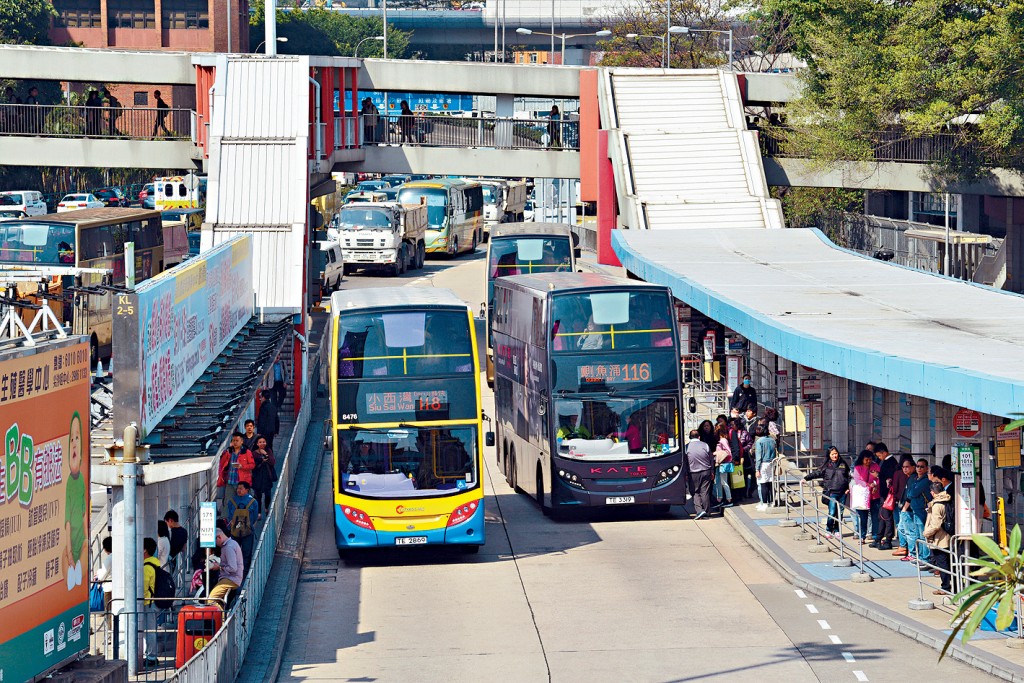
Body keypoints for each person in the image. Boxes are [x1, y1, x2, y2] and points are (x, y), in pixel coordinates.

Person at [804, 447, 850, 537]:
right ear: (829, 455)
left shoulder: (843, 463)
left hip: (842, 492)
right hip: (831, 492)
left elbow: (848, 476)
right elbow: (817, 473)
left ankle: (836, 530)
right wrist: (806, 478)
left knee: (839, 513)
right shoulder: (826, 465)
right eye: (832, 454)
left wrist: (848, 488)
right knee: (832, 512)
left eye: (836, 453)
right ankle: (829, 529)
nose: (834, 455)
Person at [64, 411, 87, 590]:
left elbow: (84, 512)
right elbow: (68, 522)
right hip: (72, 540)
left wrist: (86, 538)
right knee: (67, 563)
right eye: (71, 439)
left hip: (82, 539)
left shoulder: (81, 480)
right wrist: (70, 552)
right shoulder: (69, 483)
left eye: (77, 438)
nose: (74, 444)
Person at [902, 459, 933, 564]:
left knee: (923, 534)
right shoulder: (916, 479)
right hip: (915, 509)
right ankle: (920, 556)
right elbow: (909, 492)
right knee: (918, 535)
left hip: (922, 511)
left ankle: (925, 558)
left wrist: (911, 491)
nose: (919, 468)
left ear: (926, 468)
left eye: (922, 467)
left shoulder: (925, 480)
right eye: (918, 466)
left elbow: (913, 493)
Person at [924, 480, 952, 594]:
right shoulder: (948, 500)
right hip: (948, 536)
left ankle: (945, 588)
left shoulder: (937, 505)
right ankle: (952, 585)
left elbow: (936, 525)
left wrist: (926, 533)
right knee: (948, 563)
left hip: (939, 538)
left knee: (942, 564)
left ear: (932, 492)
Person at [217, 433, 255, 515]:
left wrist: (242, 466)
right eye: (233, 440)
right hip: (230, 482)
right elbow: (222, 463)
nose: (235, 442)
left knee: (243, 503)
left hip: (241, 482)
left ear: (242, 441)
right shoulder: (229, 452)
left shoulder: (246, 452)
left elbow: (252, 465)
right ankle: (226, 522)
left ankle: (244, 521)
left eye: (237, 440)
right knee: (228, 502)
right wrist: (226, 452)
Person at [226, 481, 260, 573]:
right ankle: (245, 572)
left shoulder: (232, 501)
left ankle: (235, 570)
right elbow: (255, 517)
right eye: (238, 488)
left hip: (234, 532)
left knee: (234, 552)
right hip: (248, 531)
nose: (238, 490)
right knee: (247, 553)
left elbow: (229, 516)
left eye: (241, 488)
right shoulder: (253, 502)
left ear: (247, 490)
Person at [208, 527, 243, 609]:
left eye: (215, 541)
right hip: (233, 578)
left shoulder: (228, 547)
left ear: (219, 537)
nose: (215, 544)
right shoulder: (232, 543)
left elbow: (233, 568)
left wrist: (219, 567)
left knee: (211, 599)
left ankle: (222, 617)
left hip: (231, 578)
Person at [850, 450, 880, 544]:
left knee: (875, 517)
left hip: (874, 496)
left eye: (870, 460)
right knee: (863, 517)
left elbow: (879, 478)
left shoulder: (875, 466)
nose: (868, 462)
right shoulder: (858, 468)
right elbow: (858, 480)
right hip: (862, 496)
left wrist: (875, 485)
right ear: (862, 459)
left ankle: (875, 536)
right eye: (866, 460)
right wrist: (868, 485)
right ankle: (862, 536)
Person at [685, 430, 714, 519]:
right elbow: (711, 459)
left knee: (695, 492)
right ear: (699, 437)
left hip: (693, 473)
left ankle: (700, 511)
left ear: (690, 437)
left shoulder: (686, 447)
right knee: (705, 492)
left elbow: (685, 462)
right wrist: (712, 471)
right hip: (706, 471)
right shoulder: (705, 445)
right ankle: (707, 512)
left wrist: (685, 473)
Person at [142, 537, 161, 667]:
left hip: (148, 602)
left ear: (144, 550)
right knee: (151, 630)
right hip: (155, 602)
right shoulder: (156, 563)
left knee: (149, 631)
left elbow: (143, 588)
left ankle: (151, 657)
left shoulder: (146, 567)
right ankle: (151, 655)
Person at [875, 442, 899, 550]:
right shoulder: (885, 461)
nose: (879, 458)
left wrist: (878, 475)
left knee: (887, 518)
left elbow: (889, 479)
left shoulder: (891, 462)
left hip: (887, 495)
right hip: (884, 494)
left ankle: (888, 540)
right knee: (882, 517)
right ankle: (879, 538)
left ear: (884, 453)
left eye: (880, 455)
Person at [890, 457, 914, 556]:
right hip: (904, 506)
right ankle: (904, 547)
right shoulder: (909, 477)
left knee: (908, 530)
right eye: (903, 467)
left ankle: (910, 552)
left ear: (913, 467)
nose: (905, 469)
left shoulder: (913, 478)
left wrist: (904, 508)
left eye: (907, 467)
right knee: (901, 528)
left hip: (908, 508)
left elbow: (911, 494)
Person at [754, 424, 777, 512]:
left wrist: (757, 469)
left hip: (763, 463)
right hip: (772, 463)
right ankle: (772, 501)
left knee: (763, 483)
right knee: (770, 483)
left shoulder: (759, 441)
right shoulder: (772, 440)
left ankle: (764, 503)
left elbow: (758, 456)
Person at [251, 435, 277, 512]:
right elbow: (254, 466)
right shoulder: (254, 453)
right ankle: (258, 512)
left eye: (264, 442)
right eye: (260, 442)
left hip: (267, 476)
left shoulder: (268, 451)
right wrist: (261, 461)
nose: (262, 443)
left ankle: (266, 508)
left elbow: (272, 462)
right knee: (258, 496)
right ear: (257, 444)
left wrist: (265, 454)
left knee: (268, 494)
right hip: (257, 477)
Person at [93, 536, 113, 633]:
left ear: (105, 549)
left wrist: (98, 573)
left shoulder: (109, 559)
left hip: (109, 589)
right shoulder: (119, 555)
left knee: (108, 612)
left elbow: (101, 576)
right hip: (116, 587)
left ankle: (110, 633)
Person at [713, 423, 733, 509]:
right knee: (719, 482)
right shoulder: (722, 440)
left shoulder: (723, 441)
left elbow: (728, 452)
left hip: (722, 463)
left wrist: (717, 453)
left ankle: (728, 499)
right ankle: (720, 499)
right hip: (720, 463)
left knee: (723, 482)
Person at [164, 510, 188, 574]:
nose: (167, 525)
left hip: (166, 559)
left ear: (170, 520)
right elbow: (183, 548)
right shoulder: (184, 531)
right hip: (174, 560)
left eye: (166, 522)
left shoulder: (169, 532)